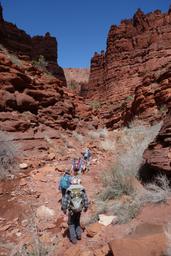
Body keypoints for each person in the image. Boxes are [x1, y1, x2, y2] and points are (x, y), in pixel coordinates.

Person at [62, 177, 89, 244]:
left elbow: (65, 201)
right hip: (79, 210)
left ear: (71, 182)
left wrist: (64, 209)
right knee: (77, 221)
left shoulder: (69, 190)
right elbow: (85, 199)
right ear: (77, 182)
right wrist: (85, 207)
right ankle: (79, 235)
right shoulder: (82, 189)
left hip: (72, 210)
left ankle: (73, 239)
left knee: (71, 224)